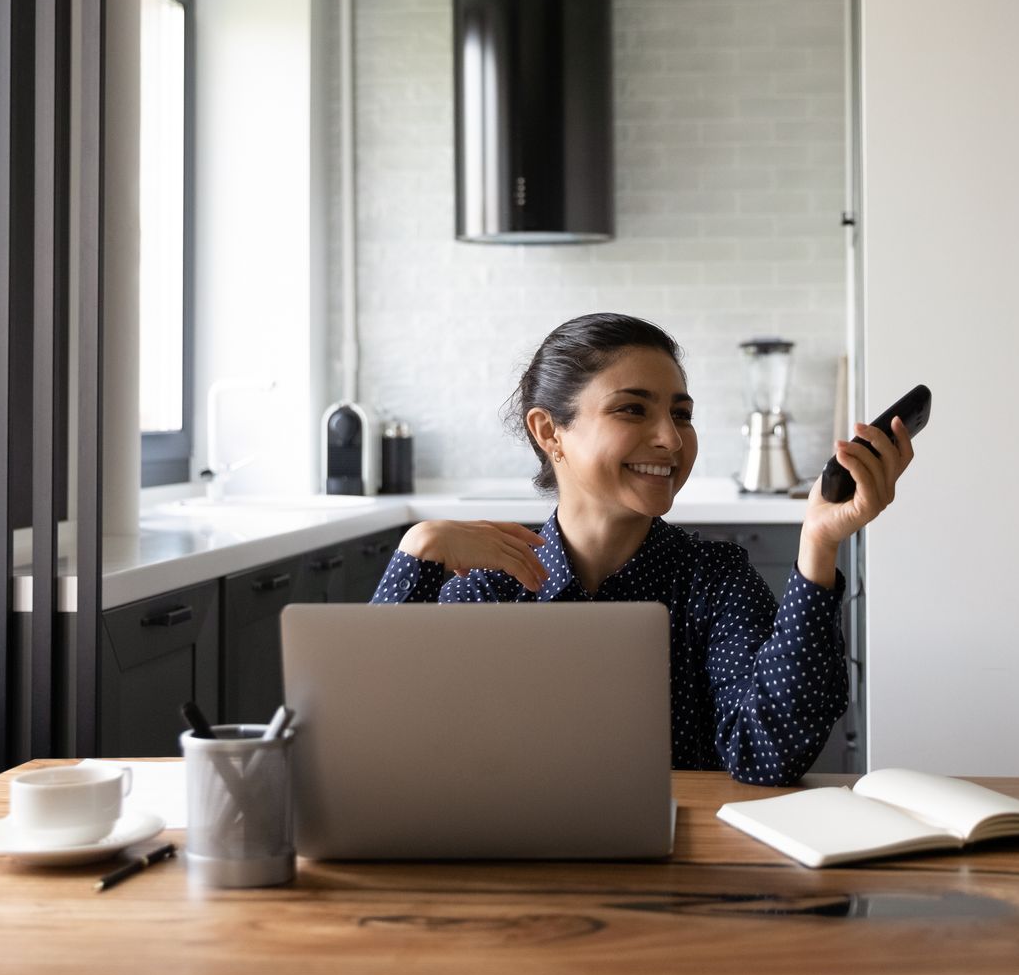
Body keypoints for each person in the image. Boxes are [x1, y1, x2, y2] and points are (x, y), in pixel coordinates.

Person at [369, 312, 914, 785]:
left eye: (681, 413)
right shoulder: (486, 584)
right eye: (633, 409)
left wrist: (819, 543)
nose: (672, 440)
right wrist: (418, 550)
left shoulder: (714, 581)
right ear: (549, 431)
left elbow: (765, 753)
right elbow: (379, 741)